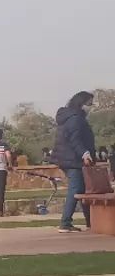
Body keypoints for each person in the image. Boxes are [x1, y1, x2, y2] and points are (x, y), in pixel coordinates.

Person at [51, 91, 96, 233]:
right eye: (89, 103)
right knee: (76, 189)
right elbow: (75, 139)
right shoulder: (75, 118)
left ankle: (91, 222)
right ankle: (65, 223)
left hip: (68, 158)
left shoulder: (70, 116)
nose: (91, 106)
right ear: (81, 103)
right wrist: (85, 153)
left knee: (83, 190)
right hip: (72, 160)